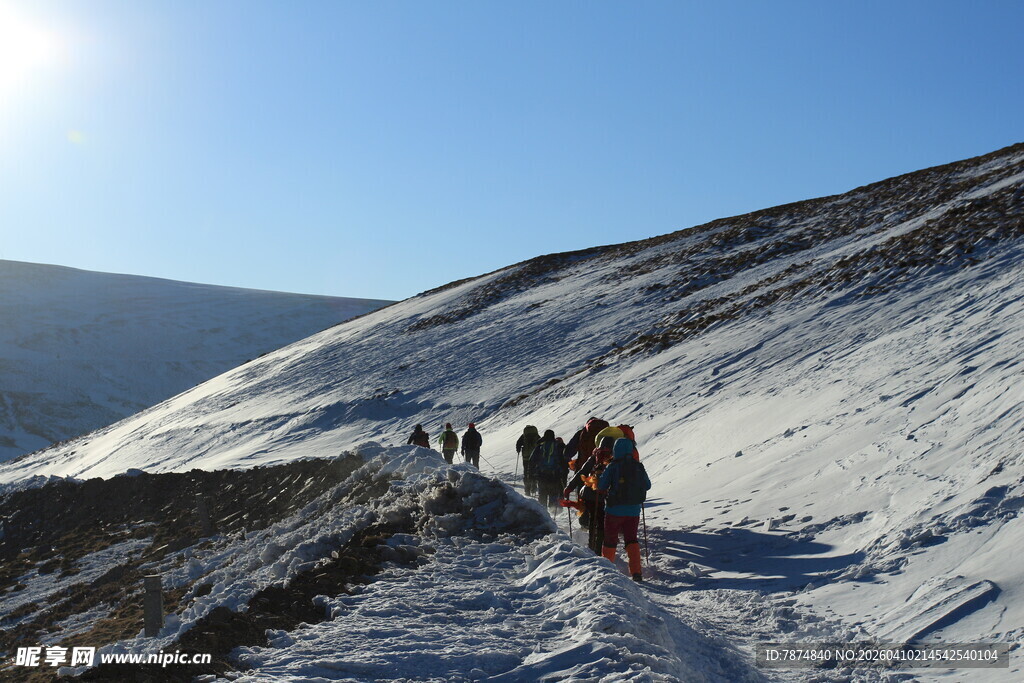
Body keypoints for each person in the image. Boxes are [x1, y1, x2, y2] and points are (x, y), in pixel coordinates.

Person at [598, 437, 651, 582]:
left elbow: (601, 486)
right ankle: (636, 573)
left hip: (614, 510)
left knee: (610, 540)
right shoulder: (638, 466)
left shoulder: (613, 466)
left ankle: (607, 571)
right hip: (633, 511)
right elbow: (647, 485)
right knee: (631, 540)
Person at [564, 436, 614, 553]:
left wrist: (569, 487)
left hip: (590, 493)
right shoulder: (614, 458)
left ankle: (592, 546)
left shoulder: (594, 456)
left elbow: (582, 472)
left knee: (593, 520)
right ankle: (599, 547)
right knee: (602, 521)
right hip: (605, 495)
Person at [528, 429, 565, 509]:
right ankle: (553, 512)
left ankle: (543, 513)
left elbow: (532, 460)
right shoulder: (557, 446)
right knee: (553, 494)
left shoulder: (540, 446)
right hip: (554, 475)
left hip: (542, 474)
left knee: (542, 495)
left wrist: (532, 474)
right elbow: (562, 461)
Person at [516, 425, 541, 496]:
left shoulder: (523, 436)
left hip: (526, 457)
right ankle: (534, 488)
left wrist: (518, 449)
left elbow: (518, 443)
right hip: (535, 458)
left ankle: (527, 490)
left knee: (526, 473)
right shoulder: (536, 435)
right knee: (534, 472)